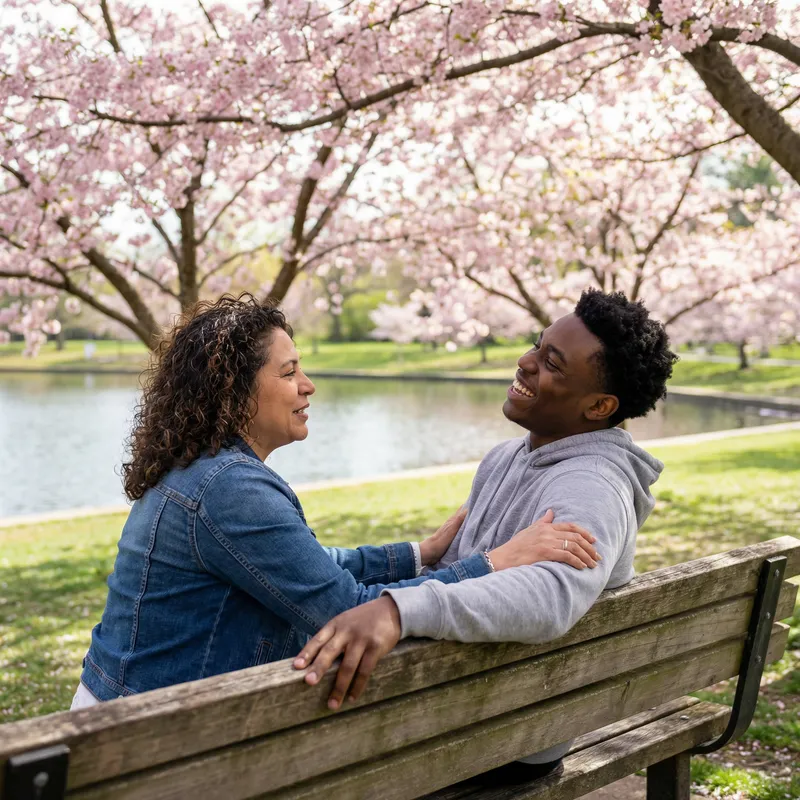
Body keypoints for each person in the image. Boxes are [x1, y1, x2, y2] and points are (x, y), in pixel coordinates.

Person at [71, 294, 599, 710]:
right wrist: (494, 563)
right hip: (150, 738)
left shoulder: (208, 470)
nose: (309, 386)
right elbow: (351, 612)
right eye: (288, 372)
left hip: (137, 712)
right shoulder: (229, 488)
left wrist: (420, 552)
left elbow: (310, 566)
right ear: (232, 392)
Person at [293, 289, 678, 778]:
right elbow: (454, 570)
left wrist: (397, 608)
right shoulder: (505, 457)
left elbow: (551, 596)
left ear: (599, 405)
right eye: (537, 347)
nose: (524, 362)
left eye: (552, 364)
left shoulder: (592, 485)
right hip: (466, 704)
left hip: (506, 737)